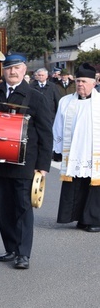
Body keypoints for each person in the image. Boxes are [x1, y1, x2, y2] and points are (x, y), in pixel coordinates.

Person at [0, 54, 52, 269]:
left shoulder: (35, 96)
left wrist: (42, 166)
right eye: (9, 68)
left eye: (17, 68)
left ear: (25, 70)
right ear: (3, 71)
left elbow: (45, 133)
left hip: (25, 162)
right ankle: (11, 248)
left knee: (22, 207)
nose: (13, 72)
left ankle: (23, 253)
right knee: (3, 207)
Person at [53, 63, 100, 232]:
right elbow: (57, 125)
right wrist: (56, 148)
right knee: (77, 185)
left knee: (94, 186)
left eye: (84, 81)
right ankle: (79, 217)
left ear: (93, 83)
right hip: (73, 151)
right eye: (78, 81)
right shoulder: (66, 101)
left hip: (95, 152)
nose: (80, 84)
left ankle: (94, 220)